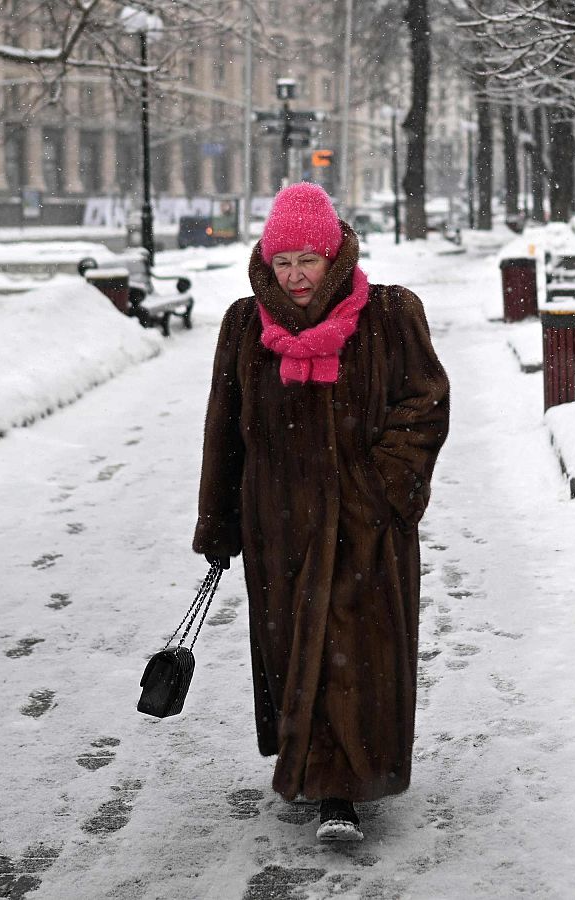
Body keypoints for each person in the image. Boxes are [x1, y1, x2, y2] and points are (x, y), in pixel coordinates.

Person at [194, 182, 450, 844]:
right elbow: (225, 432)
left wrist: (384, 487)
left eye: (308, 259)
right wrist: (219, 525)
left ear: (334, 254)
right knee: (295, 651)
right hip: (278, 526)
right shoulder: (245, 325)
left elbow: (426, 402)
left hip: (366, 527)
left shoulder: (389, 316)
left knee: (355, 654)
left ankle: (341, 791)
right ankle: (316, 771)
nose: (297, 275)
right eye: (284, 262)